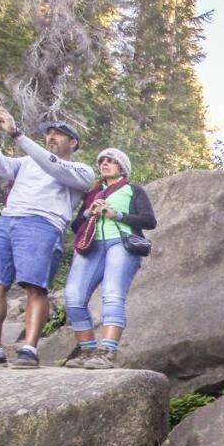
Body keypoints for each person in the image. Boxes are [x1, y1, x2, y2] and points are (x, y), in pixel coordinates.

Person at [0, 103, 94, 368]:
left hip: (43, 223)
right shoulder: (27, 162)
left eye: (58, 133)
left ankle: (29, 350)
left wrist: (17, 134)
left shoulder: (81, 171)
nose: (51, 136)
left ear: (73, 142)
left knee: (35, 286)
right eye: (48, 133)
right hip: (8, 221)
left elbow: (52, 166)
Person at [62, 147, 156, 369]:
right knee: (73, 296)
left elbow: (150, 221)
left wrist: (117, 215)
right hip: (92, 246)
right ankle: (87, 351)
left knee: (112, 294)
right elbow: (76, 226)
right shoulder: (92, 194)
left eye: (111, 160)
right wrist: (89, 212)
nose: (105, 163)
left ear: (122, 167)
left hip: (121, 244)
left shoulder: (133, 190)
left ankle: (107, 352)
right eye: (102, 160)